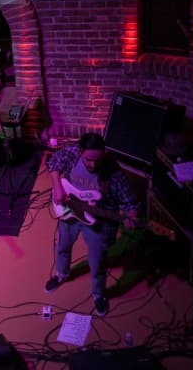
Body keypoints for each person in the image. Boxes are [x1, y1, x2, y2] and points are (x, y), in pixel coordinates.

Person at [45, 133, 139, 316]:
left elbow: (130, 202)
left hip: (97, 221)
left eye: (97, 160)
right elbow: (54, 162)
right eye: (88, 160)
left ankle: (99, 294)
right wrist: (57, 187)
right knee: (62, 246)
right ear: (80, 151)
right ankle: (61, 274)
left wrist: (132, 215)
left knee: (97, 262)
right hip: (69, 210)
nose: (93, 165)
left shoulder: (113, 172)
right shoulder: (72, 152)